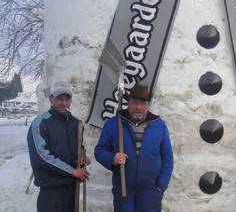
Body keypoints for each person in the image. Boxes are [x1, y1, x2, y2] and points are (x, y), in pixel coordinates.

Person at [95, 83, 173, 212]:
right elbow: (100, 150)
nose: (138, 107)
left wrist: (161, 184)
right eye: (134, 102)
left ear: (148, 105)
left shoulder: (159, 125)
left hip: (151, 189)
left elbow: (168, 157)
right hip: (124, 188)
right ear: (128, 103)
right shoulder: (114, 123)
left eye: (142, 104)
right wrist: (112, 158)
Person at [27, 80, 91, 212]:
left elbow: (80, 149)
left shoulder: (76, 124)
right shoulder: (40, 124)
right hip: (51, 192)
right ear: (51, 99)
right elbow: (41, 157)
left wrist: (83, 159)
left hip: (72, 189)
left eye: (67, 99)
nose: (64, 103)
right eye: (59, 98)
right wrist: (72, 171)